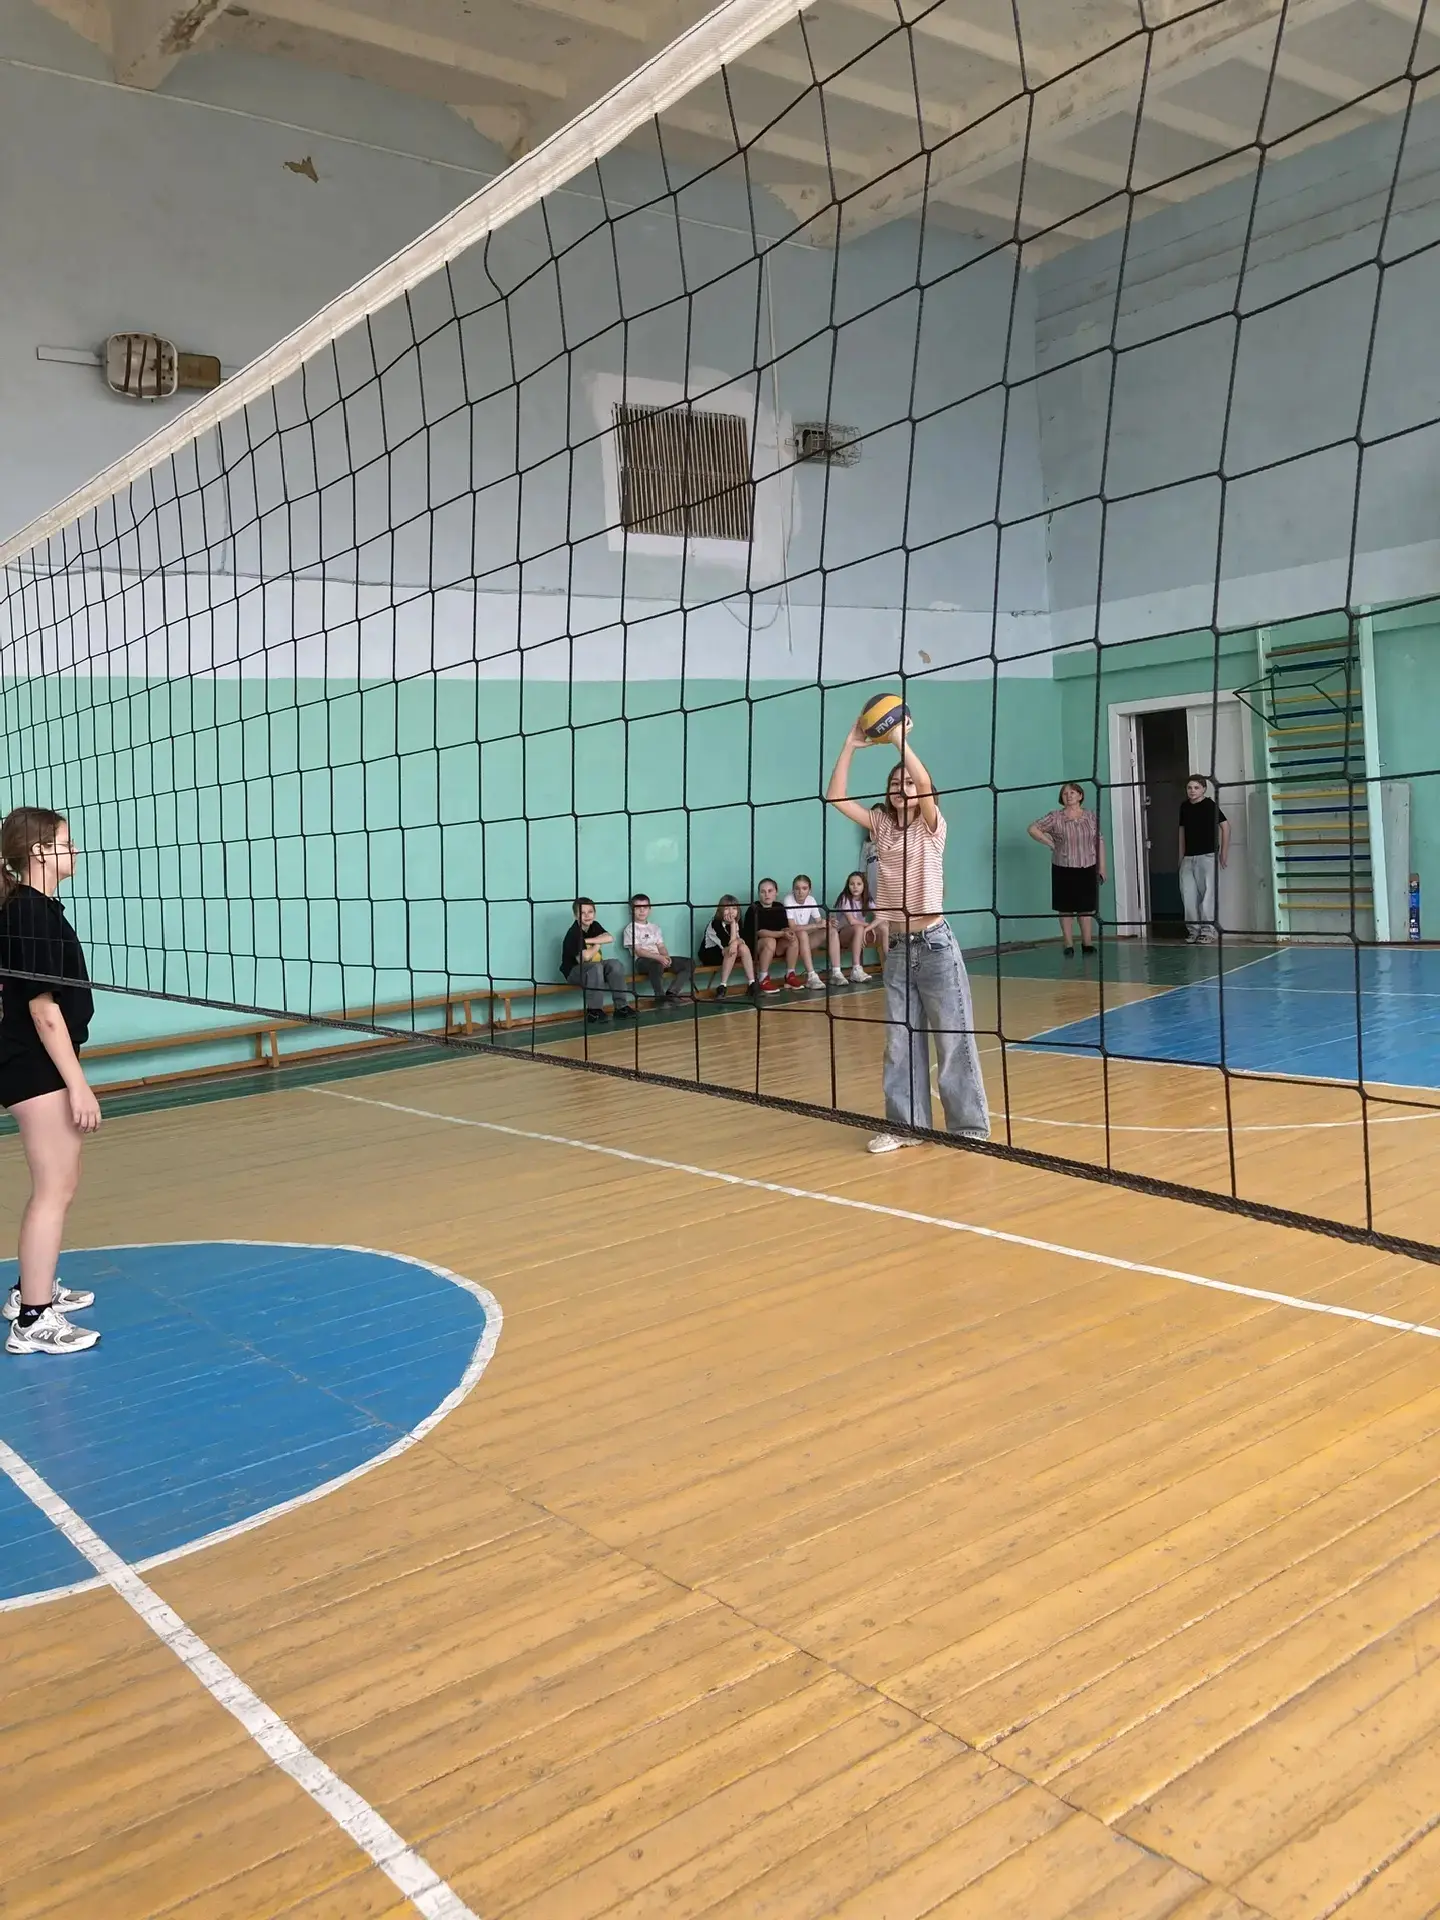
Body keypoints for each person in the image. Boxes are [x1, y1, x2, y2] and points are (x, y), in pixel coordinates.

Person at [826, 714, 989, 1154]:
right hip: (897, 948)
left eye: (909, 782)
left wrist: (899, 742)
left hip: (935, 945)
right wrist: (851, 744)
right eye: (895, 783)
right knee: (899, 1042)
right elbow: (835, 795)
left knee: (952, 1039)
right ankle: (906, 1127)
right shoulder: (880, 825)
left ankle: (968, 1127)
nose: (903, 787)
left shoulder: (932, 826)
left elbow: (926, 784)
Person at [1, 809, 102, 1357]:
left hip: (35, 1064)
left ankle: (31, 1291)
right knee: (53, 1189)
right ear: (39, 851)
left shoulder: (31, 908)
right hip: (35, 1067)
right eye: (67, 841)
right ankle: (33, 1320)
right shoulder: (29, 913)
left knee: (62, 1180)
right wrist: (78, 1085)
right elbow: (43, 1011)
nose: (75, 849)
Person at [1028, 782, 1106, 956]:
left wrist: (1102, 867)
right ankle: (1068, 944)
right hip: (1063, 867)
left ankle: (1087, 943)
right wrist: (1050, 843)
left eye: (1072, 792)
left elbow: (1099, 841)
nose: (1069, 796)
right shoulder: (1055, 817)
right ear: (1061, 798)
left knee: (1086, 908)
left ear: (1080, 795)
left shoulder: (1091, 817)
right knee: (1065, 908)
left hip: (1087, 866)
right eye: (1065, 793)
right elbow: (1032, 829)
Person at [560, 898, 635, 1023]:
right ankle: (594, 1011)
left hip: (595, 970)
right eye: (582, 913)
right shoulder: (574, 933)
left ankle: (621, 1007)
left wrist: (588, 941)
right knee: (595, 967)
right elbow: (585, 957)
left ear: (594, 913)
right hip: (574, 972)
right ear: (576, 916)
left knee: (615, 964)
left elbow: (609, 938)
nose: (587, 915)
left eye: (590, 912)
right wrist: (599, 943)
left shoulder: (594, 925)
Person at [1179, 775, 1229, 944]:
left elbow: (1226, 826)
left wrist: (1223, 852)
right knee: (1188, 896)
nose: (1192, 791)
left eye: (1196, 787)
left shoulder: (1209, 805)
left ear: (1204, 789)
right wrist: (1181, 857)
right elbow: (1181, 832)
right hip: (1188, 858)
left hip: (1207, 856)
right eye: (1189, 788)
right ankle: (1193, 930)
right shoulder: (1184, 807)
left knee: (1208, 895)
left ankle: (1208, 931)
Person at [620, 895, 694, 1005]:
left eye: (645, 907)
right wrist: (659, 958)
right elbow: (639, 951)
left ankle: (672, 992)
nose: (642, 910)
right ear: (632, 910)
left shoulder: (655, 927)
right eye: (638, 907)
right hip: (642, 961)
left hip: (659, 958)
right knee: (656, 964)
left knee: (689, 963)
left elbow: (661, 946)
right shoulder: (630, 929)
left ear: (650, 909)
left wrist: (666, 957)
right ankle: (659, 996)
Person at [783, 874, 838, 990]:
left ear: (809, 890)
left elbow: (819, 922)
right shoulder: (788, 900)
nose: (800, 892)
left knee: (831, 931)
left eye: (804, 888)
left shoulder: (811, 900)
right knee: (802, 934)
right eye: (797, 888)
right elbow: (792, 927)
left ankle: (836, 973)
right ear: (793, 890)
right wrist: (816, 925)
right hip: (791, 942)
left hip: (805, 941)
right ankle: (811, 976)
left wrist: (828, 922)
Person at [742, 879, 795, 994]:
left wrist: (787, 932)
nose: (767, 894)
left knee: (793, 939)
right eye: (763, 891)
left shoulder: (779, 906)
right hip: (756, 948)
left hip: (776, 946)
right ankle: (763, 978)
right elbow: (760, 932)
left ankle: (790, 975)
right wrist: (781, 934)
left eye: (770, 891)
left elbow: (784, 927)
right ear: (759, 894)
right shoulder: (753, 909)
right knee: (770, 941)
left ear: (776, 892)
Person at [699, 896, 756, 998]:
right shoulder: (715, 924)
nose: (731, 912)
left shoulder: (737, 922)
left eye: (734, 908)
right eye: (727, 908)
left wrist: (734, 930)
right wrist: (733, 925)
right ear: (721, 910)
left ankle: (752, 983)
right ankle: (722, 985)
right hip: (711, 953)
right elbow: (729, 945)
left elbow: (742, 940)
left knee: (743, 948)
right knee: (732, 949)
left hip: (728, 951)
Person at [831, 870, 875, 983]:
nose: (855, 887)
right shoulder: (844, 898)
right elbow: (851, 921)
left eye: (859, 884)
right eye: (852, 884)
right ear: (848, 886)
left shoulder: (867, 899)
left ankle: (888, 964)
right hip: (840, 936)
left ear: (864, 886)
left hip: (858, 933)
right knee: (859, 927)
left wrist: (871, 927)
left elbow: (881, 916)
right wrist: (868, 925)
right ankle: (856, 969)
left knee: (883, 927)